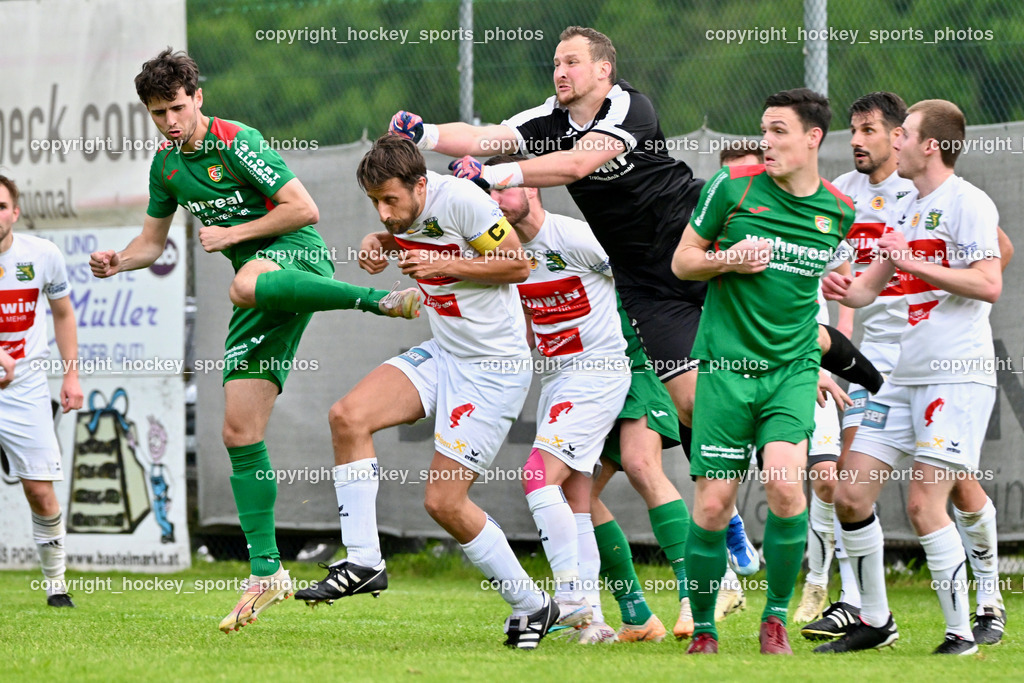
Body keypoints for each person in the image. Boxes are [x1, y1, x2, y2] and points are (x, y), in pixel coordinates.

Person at [88, 49, 421, 634]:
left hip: (295, 259)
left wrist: (234, 233)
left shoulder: (237, 141)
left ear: (197, 98)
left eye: (177, 107)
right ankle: (267, 571)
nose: (170, 121)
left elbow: (304, 209)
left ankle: (377, 299)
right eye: (158, 113)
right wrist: (119, 261)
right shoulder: (165, 167)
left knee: (242, 283)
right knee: (238, 430)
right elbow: (151, 243)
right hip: (259, 287)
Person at [294, 135, 556, 650]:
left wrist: (444, 268)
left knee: (444, 502)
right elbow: (415, 236)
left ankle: (532, 604)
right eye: (375, 202)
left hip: (493, 369)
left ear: (420, 185)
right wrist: (379, 241)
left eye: (390, 201)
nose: (385, 211)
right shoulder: (403, 212)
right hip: (445, 352)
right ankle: (364, 562)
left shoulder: (462, 200)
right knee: (348, 417)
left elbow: (517, 265)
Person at [801, 92, 1011, 645]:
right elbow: (867, 288)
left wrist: (914, 261)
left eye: (900, 133)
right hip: (893, 371)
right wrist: (842, 286)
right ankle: (872, 618)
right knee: (850, 493)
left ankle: (971, 623)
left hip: (953, 372)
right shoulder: (897, 205)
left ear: (928, 145)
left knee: (932, 499)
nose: (890, 142)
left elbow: (990, 280)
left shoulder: (967, 201)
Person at [672, 88, 853, 655]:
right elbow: (683, 261)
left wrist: (846, 290)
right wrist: (727, 259)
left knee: (784, 484)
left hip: (792, 369)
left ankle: (775, 619)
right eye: (763, 130)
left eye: (779, 132)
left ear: (813, 138)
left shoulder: (838, 211)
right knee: (712, 505)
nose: (766, 142)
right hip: (726, 369)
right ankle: (705, 627)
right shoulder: (733, 186)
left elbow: (826, 284)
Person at [482, 154, 631, 644]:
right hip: (558, 379)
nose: (495, 200)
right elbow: (529, 325)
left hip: (598, 373)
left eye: (504, 187)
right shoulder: (507, 255)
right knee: (575, 497)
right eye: (488, 191)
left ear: (533, 187)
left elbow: (637, 279)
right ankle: (594, 620)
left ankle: (568, 597)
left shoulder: (574, 237)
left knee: (536, 475)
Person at [0, 174, 84, 607]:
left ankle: (56, 585)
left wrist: (71, 376)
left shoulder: (43, 255)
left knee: (40, 490)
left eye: (1, 206)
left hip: (25, 388)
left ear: (15, 212)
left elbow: (63, 314)